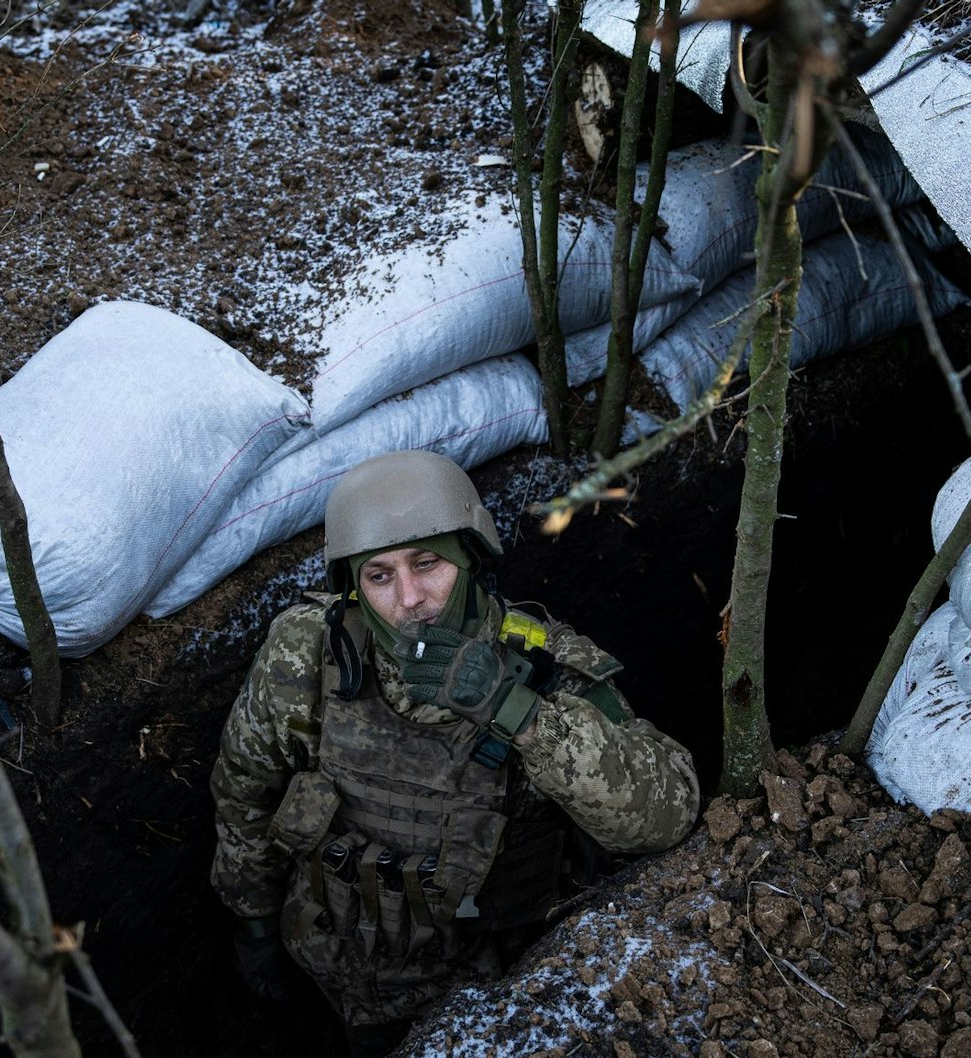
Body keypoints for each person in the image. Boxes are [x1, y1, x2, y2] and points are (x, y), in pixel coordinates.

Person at [210, 449, 701, 1055]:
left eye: (427, 563)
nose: (410, 598)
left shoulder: (548, 671)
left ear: (471, 557)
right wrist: (253, 920)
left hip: (492, 1000)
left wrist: (516, 711)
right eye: (379, 576)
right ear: (354, 588)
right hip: (335, 963)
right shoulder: (307, 648)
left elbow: (667, 817)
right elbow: (244, 787)